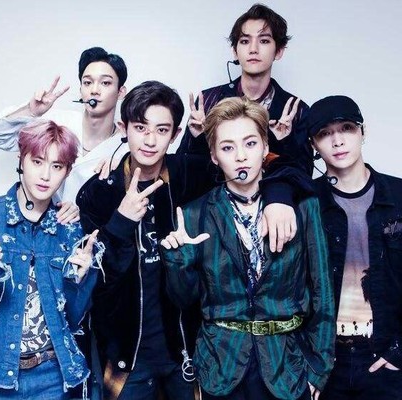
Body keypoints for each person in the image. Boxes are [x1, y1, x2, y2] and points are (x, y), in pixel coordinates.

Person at [77, 82, 306, 400]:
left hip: (186, 353)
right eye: (140, 128)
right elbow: (94, 283)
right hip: (125, 359)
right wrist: (121, 221)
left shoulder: (191, 174)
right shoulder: (99, 192)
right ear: (123, 128)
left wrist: (278, 196)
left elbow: (268, 163)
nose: (150, 140)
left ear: (175, 134)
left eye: (161, 130)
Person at [160, 97, 334, 400]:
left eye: (250, 143)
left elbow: (323, 290)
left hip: (287, 368)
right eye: (228, 148)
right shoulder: (194, 214)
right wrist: (178, 260)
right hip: (220, 367)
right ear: (214, 156)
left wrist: (319, 367)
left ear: (266, 147)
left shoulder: (302, 206)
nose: (241, 156)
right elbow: (182, 301)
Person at [0, 119, 101, 399]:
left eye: (57, 166)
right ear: (21, 159)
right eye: (37, 162)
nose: (45, 175)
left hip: (53, 374)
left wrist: (80, 279)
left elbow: (74, 317)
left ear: (67, 172)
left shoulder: (70, 228)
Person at [306, 95, 402, 399]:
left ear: (363, 131)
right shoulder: (306, 203)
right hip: (325, 360)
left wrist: (399, 350)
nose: (337, 141)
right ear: (313, 145)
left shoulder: (398, 196)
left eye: (346, 128)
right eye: (325, 133)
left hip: (385, 357)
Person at [177, 3, 312, 176]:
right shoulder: (209, 100)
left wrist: (283, 143)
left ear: (278, 51)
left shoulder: (296, 110)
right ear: (235, 51)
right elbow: (184, 171)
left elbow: (304, 177)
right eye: (245, 41)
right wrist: (199, 138)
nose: (253, 49)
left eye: (264, 41)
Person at [0, 46, 129, 205]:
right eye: (87, 83)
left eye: (105, 83)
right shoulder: (55, 123)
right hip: (42, 217)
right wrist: (31, 111)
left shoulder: (127, 146)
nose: (94, 90)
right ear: (81, 90)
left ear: (121, 92)